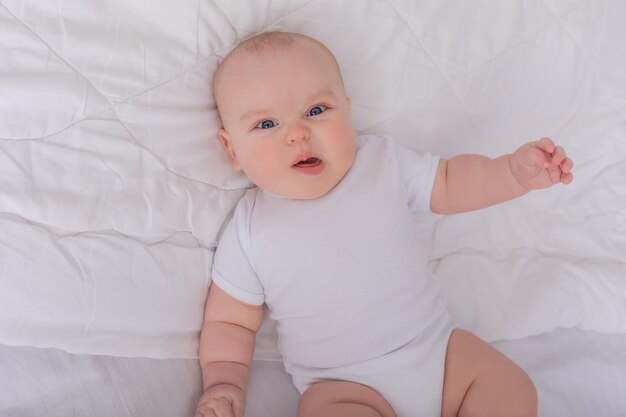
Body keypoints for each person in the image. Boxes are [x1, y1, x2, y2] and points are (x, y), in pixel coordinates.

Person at [195, 31, 574, 417]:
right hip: (343, 387)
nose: (298, 134)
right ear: (232, 149)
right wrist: (224, 384)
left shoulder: (380, 163)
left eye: (316, 111)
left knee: (510, 386)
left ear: (347, 110)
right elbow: (230, 321)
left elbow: (450, 183)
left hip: (440, 356)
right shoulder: (250, 228)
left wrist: (511, 174)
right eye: (266, 124)